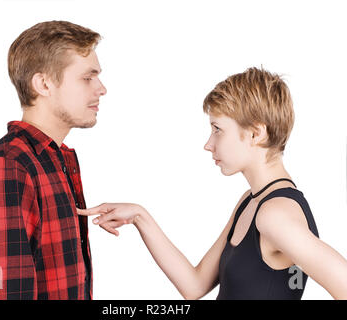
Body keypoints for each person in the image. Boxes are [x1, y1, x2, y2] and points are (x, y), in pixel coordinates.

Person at [78, 67, 347, 299]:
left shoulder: (275, 215)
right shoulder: (251, 201)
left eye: (218, 129)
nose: (208, 144)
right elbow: (194, 286)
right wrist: (139, 216)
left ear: (256, 133)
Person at [0, 20, 107, 299]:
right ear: (43, 84)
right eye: (87, 78)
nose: (101, 89)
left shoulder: (57, 160)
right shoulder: (9, 165)